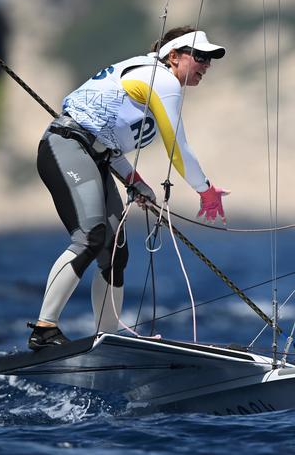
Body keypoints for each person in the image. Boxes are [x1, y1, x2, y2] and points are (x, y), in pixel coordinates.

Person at [28, 26, 230, 350]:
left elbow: (108, 142)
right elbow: (177, 147)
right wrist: (204, 190)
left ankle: (106, 340)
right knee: (91, 236)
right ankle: (44, 329)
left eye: (210, 59)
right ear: (173, 56)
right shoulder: (162, 80)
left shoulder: (157, 82)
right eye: (200, 56)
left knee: (115, 253)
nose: (206, 64)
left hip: (94, 156)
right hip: (65, 146)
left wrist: (136, 181)